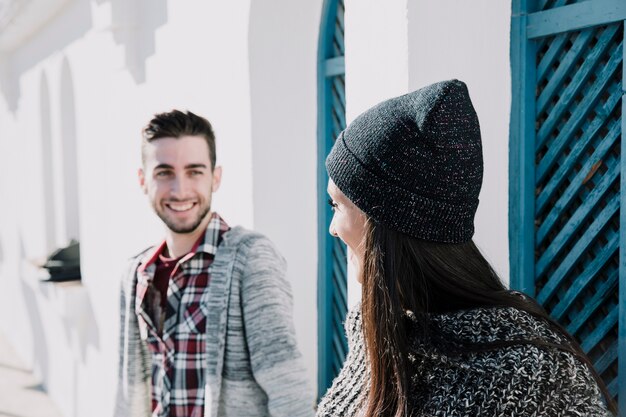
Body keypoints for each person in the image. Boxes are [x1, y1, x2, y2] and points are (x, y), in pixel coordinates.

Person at [316, 80, 616, 417]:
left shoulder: (536, 377)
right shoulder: (378, 334)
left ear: (388, 222)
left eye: (336, 206)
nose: (333, 229)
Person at [115, 110, 313, 417]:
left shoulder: (249, 259)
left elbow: (288, 388)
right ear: (143, 180)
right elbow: (131, 393)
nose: (180, 190)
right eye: (164, 172)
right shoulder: (137, 272)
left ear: (215, 177)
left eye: (194, 171)